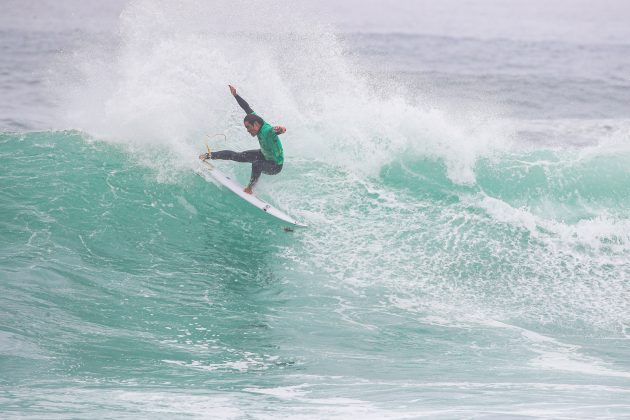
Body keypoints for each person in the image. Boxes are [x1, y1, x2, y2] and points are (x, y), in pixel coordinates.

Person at [199, 85, 287, 194]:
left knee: (257, 164)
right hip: (264, 155)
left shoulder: (267, 130)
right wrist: (235, 95)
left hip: (275, 165)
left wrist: (281, 129)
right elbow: (246, 108)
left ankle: (250, 188)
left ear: (255, 125)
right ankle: (208, 155)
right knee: (236, 155)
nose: (247, 130)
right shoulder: (256, 120)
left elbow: (276, 131)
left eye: (248, 127)